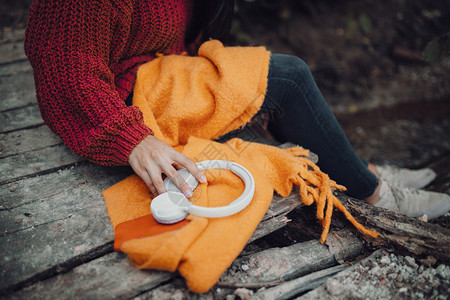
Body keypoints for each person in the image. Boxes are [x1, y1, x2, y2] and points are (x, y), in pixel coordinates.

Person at [24, 0, 450, 219]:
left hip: (167, 83)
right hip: (126, 100)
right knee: (288, 78)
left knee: (270, 136)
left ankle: (364, 172)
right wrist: (132, 140)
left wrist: (233, 104)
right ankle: (377, 195)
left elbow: (173, 38)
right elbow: (62, 68)